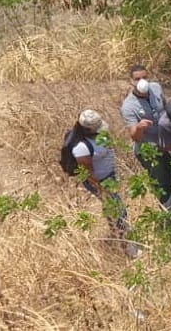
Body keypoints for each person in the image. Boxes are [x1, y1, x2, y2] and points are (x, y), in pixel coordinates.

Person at [65, 109, 140, 258]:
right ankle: (127, 248)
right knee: (119, 211)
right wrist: (102, 189)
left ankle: (115, 233)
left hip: (108, 177)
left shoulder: (96, 135)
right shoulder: (82, 148)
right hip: (100, 181)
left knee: (111, 209)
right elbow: (87, 173)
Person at [120, 64, 171, 200]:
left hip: (164, 142)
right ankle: (167, 212)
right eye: (137, 79)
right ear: (131, 81)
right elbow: (135, 137)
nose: (142, 81)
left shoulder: (156, 88)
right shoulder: (129, 106)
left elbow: (165, 107)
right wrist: (139, 127)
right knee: (161, 184)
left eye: (145, 77)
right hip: (148, 150)